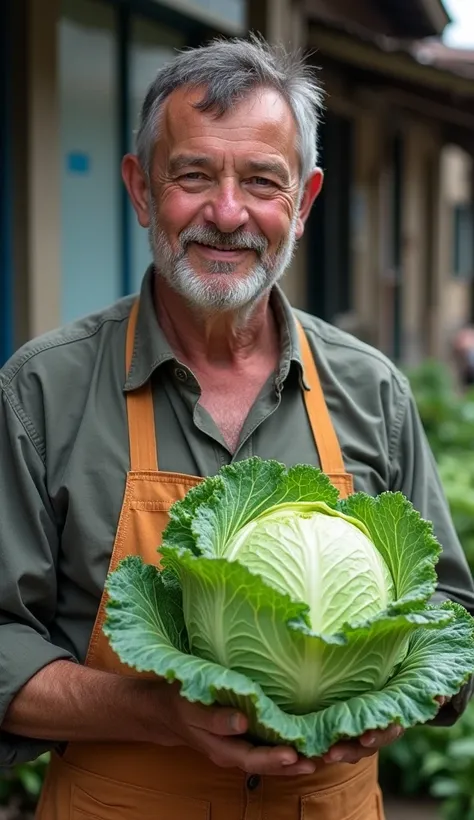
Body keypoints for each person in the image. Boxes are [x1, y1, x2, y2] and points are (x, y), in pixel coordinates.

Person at [0, 36, 473, 820]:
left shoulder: (371, 391)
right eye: (193, 176)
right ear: (141, 189)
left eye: (262, 181)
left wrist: (373, 704)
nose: (228, 214)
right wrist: (158, 713)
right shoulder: (43, 391)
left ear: (304, 201)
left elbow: (450, 623)